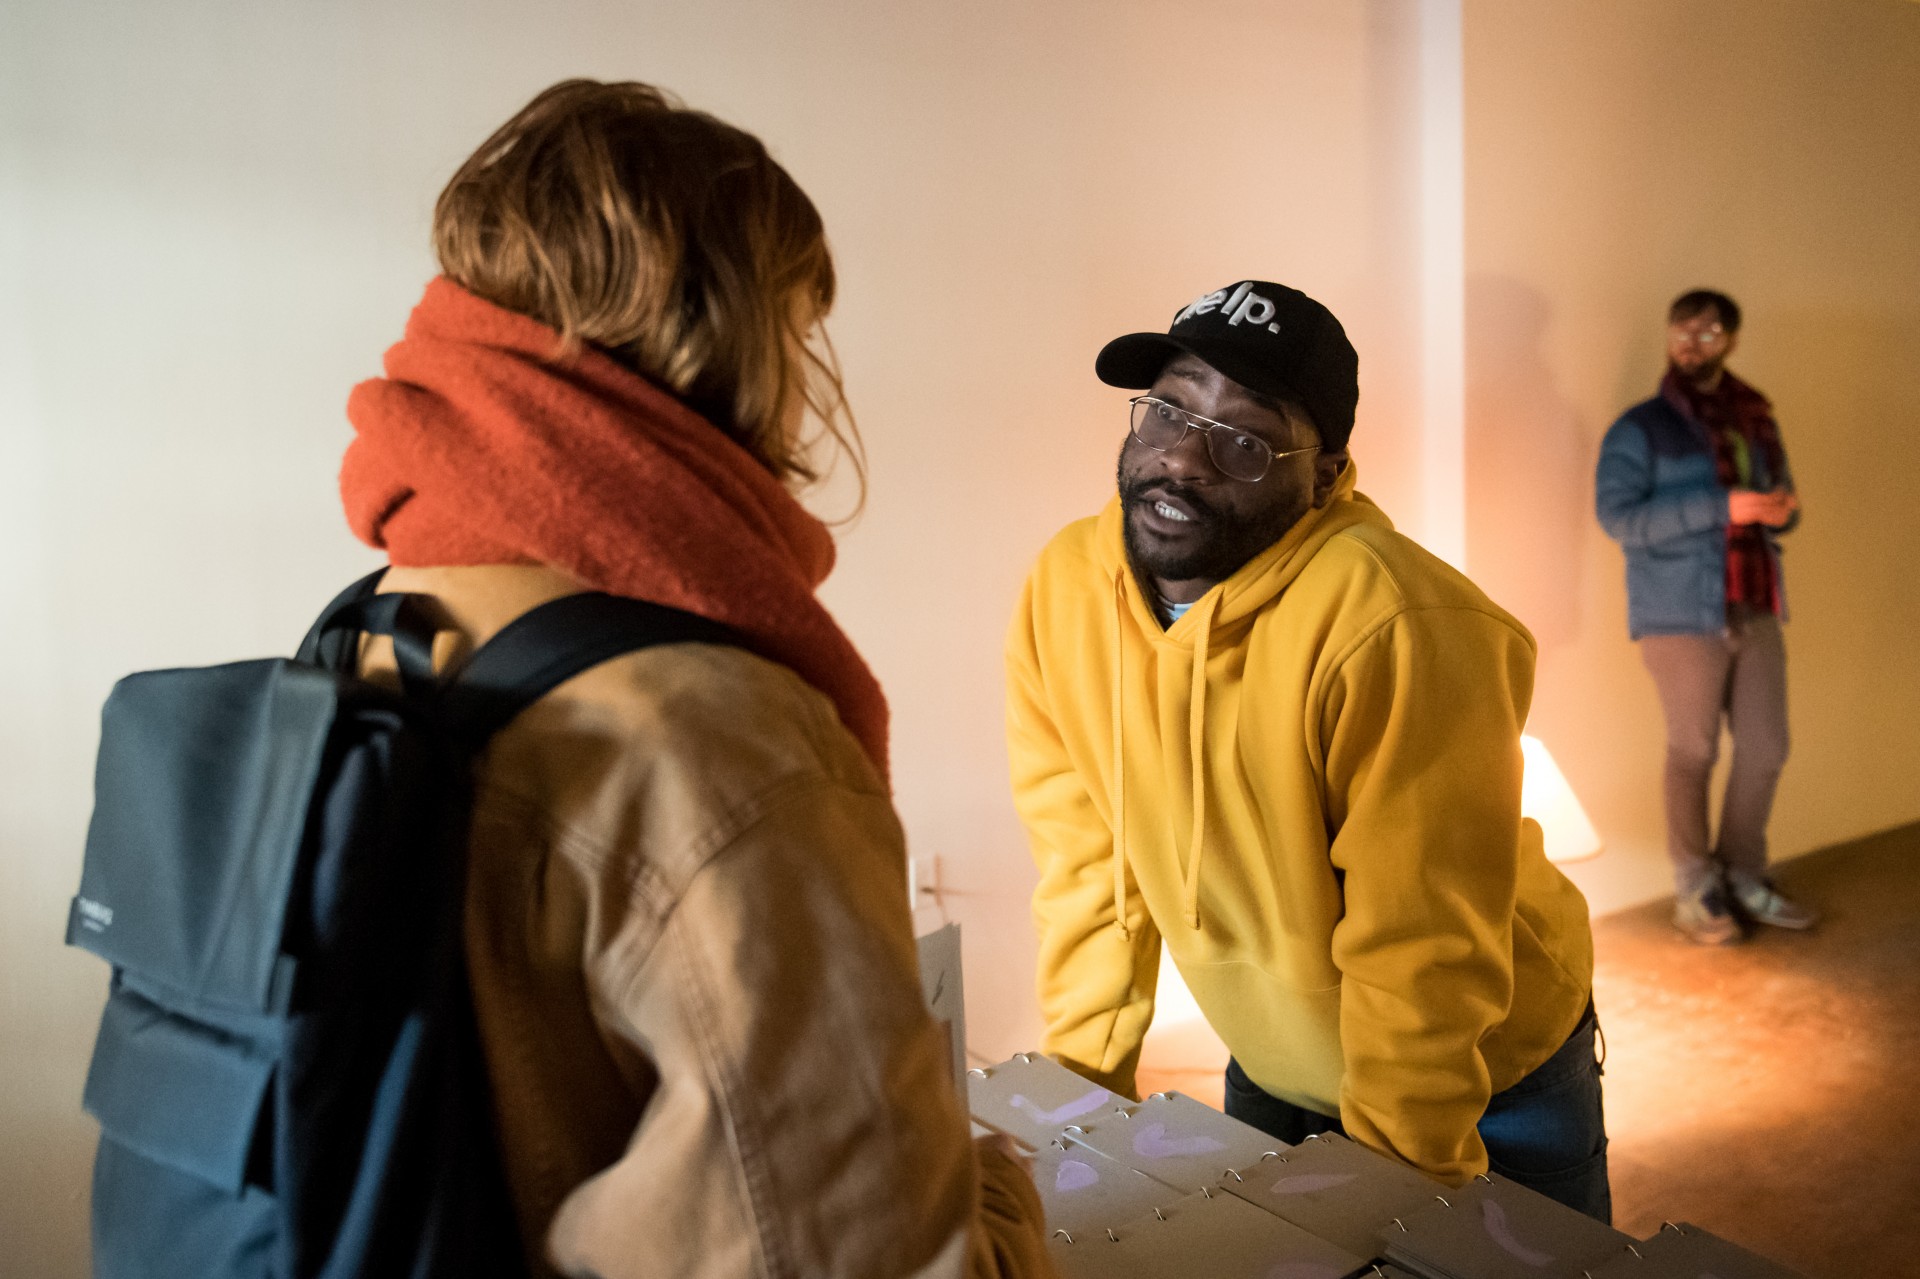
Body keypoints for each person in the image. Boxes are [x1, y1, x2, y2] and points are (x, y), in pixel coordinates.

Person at [340, 80, 1052, 1278]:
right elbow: (867, 1257)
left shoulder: (389, 620)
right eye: (794, 321)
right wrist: (1008, 1206)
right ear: (723, 335)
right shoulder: (724, 742)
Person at [1004, 280, 1608, 1219]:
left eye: (1244, 438)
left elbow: (1424, 950)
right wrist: (1081, 1106)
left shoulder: (1399, 624)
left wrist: (1400, 1196)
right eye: (1169, 406)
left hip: (1489, 1075)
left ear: (1326, 479)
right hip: (1275, 1059)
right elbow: (1088, 869)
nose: (1181, 459)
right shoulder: (1065, 590)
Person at [1596, 290, 1814, 946]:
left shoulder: (1757, 419)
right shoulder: (1642, 428)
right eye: (1682, 332)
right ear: (1670, 338)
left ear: (1731, 341)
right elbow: (1620, 518)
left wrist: (1781, 509)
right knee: (1693, 750)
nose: (1692, 344)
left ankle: (1744, 873)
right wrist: (1723, 507)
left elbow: (1783, 503)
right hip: (1678, 615)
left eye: (1709, 333)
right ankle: (1695, 889)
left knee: (1767, 746)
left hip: (1753, 601)